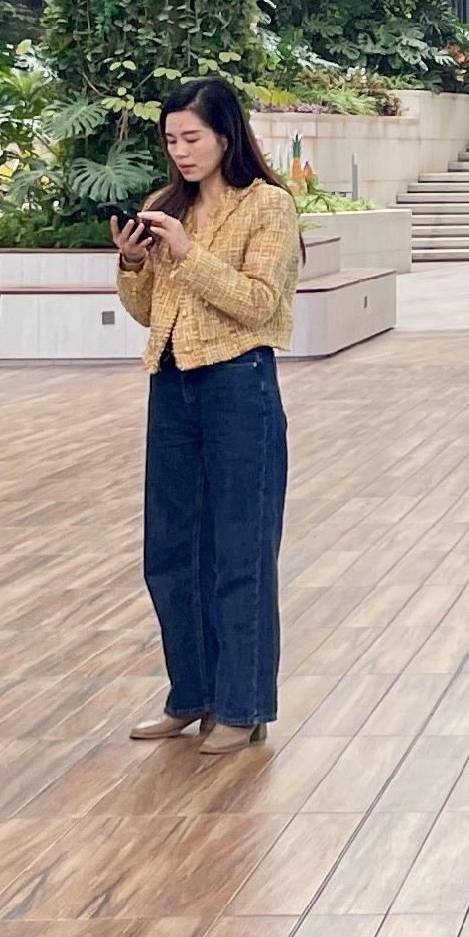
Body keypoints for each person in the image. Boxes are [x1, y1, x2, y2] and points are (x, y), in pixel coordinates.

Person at [117, 77, 297, 755]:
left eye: (192, 137)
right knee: (169, 550)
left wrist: (189, 255)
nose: (181, 151)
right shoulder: (170, 207)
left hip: (238, 384)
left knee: (240, 549)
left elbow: (255, 303)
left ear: (227, 134)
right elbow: (149, 311)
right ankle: (189, 695)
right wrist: (135, 264)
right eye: (171, 139)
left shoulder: (268, 208)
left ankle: (243, 705)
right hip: (170, 383)